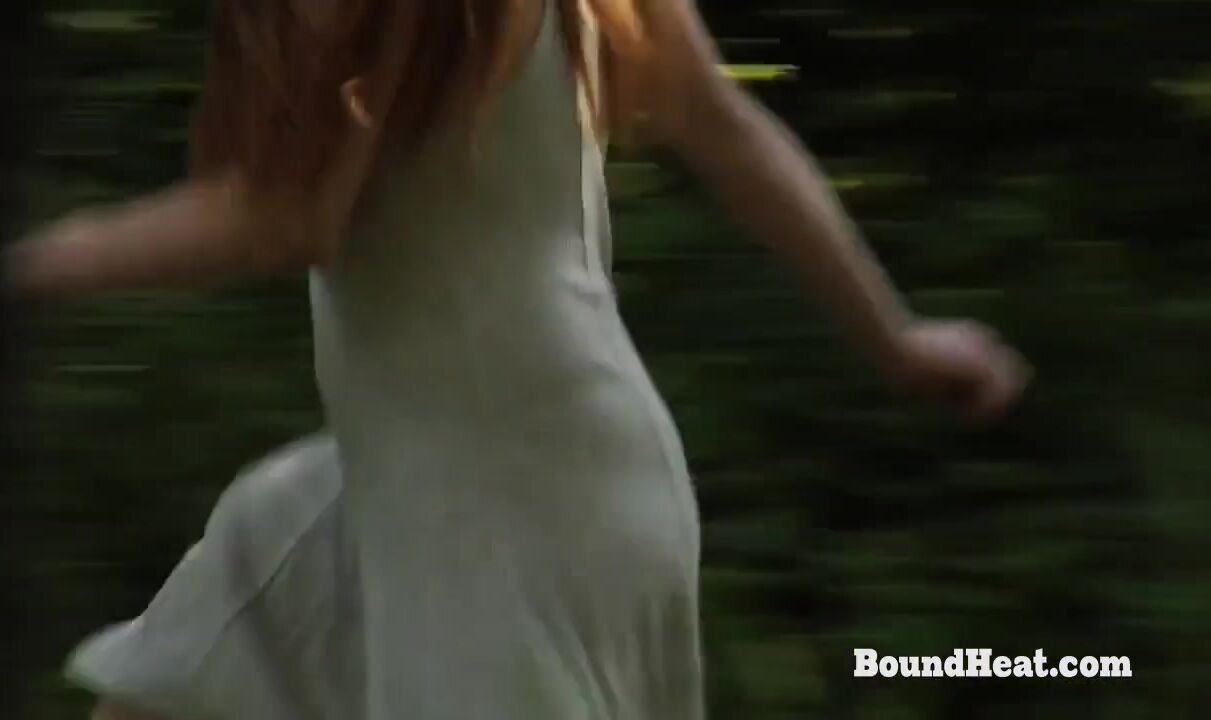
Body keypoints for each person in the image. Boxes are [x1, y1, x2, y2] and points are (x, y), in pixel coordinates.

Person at [5, 0, 1029, 718]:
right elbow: (724, 125)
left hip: (512, 518)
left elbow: (288, 216)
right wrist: (894, 336)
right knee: (181, 674)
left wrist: (30, 264)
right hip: (447, 482)